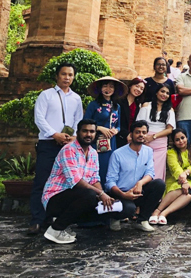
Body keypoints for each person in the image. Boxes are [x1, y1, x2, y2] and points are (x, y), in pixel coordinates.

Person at [41, 119, 120, 244]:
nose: (88, 134)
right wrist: (100, 194)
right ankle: (55, 229)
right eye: (85, 131)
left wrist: (104, 197)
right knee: (89, 195)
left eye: (92, 131)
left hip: (76, 196)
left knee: (119, 207)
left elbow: (94, 179)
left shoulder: (93, 153)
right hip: (55, 198)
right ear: (78, 132)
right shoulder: (69, 149)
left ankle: (64, 224)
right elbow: (76, 181)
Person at [28, 62, 83, 235]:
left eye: (70, 75)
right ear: (57, 76)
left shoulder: (76, 98)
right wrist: (54, 134)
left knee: (65, 183)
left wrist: (72, 136)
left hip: (68, 146)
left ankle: (56, 218)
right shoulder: (46, 95)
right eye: (64, 74)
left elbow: (78, 120)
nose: (67, 78)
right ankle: (37, 220)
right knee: (42, 181)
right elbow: (39, 119)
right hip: (48, 143)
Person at [105, 120, 166, 233]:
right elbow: (110, 182)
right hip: (120, 194)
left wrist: (140, 183)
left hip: (137, 192)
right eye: (137, 132)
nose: (141, 135)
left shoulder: (148, 151)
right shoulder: (117, 154)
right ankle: (114, 217)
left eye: (144, 132)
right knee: (129, 209)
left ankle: (142, 220)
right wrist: (123, 194)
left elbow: (150, 173)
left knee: (159, 184)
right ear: (131, 134)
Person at [149, 128, 191, 225]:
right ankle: (157, 210)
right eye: (177, 140)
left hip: (190, 178)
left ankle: (164, 213)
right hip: (174, 178)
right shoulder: (171, 152)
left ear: (187, 137)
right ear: (173, 141)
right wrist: (184, 181)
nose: (181, 141)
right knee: (179, 188)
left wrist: (186, 174)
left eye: (182, 138)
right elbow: (175, 168)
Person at [85, 76, 127, 184]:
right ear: (100, 88)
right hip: (97, 140)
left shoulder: (117, 106)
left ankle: (108, 193)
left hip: (111, 142)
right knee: (98, 166)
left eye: (111, 86)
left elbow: (118, 125)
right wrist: (100, 128)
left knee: (111, 166)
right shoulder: (93, 105)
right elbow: (85, 123)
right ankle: (97, 193)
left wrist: (115, 131)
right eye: (105, 86)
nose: (108, 89)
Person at [136, 84, 176, 180]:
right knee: (142, 169)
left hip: (160, 144)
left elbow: (170, 129)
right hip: (144, 140)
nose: (164, 94)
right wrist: (145, 138)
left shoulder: (170, 110)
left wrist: (153, 136)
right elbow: (138, 124)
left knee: (157, 171)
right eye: (162, 91)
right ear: (156, 92)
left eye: (167, 93)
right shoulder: (146, 105)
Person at [116, 77, 146, 149]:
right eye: (137, 86)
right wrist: (126, 134)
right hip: (118, 135)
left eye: (141, 89)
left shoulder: (138, 105)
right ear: (130, 86)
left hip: (131, 138)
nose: (138, 90)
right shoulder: (119, 101)